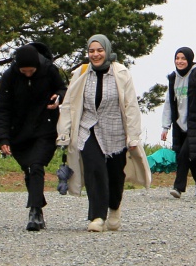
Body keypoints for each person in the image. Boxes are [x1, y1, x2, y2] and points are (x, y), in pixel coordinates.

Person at [55, 34, 150, 231]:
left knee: (115, 174)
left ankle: (114, 207)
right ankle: (97, 216)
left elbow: (131, 106)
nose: (96, 54)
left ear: (107, 51)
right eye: (91, 51)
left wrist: (133, 136)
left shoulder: (121, 73)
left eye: (99, 50)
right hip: (87, 130)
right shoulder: (80, 73)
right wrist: (63, 133)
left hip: (115, 132)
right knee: (94, 169)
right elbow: (68, 105)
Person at [0, 41, 64, 231]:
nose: (27, 74)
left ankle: (34, 212)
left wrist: (58, 98)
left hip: (45, 127)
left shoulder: (49, 70)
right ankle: (38, 203)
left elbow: (63, 90)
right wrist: (3, 138)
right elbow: (3, 108)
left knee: (36, 166)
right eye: (23, 71)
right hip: (20, 132)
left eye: (30, 71)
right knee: (28, 170)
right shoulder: (10, 76)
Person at [159, 47, 196, 199]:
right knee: (192, 157)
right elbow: (169, 103)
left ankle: (178, 187)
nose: (180, 61)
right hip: (180, 125)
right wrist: (165, 126)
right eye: (177, 58)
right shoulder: (173, 78)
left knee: (184, 155)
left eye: (183, 58)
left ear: (189, 60)